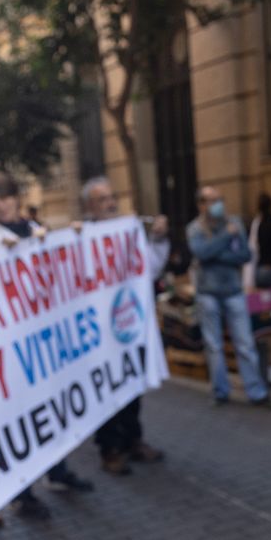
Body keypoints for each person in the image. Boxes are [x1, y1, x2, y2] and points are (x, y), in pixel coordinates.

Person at [0, 171, 95, 515]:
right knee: (20, 417)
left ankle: (58, 471)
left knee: (52, 411)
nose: (1, 205)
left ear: (16, 197)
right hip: (16, 344)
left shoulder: (36, 230)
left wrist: (70, 241)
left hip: (45, 341)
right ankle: (22, 491)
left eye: (5, 197)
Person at [80, 176, 169, 474]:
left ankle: (133, 440)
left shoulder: (127, 234)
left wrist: (157, 238)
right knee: (105, 391)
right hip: (98, 333)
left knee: (131, 387)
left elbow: (151, 268)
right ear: (89, 207)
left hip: (125, 326)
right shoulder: (80, 239)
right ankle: (109, 449)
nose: (110, 204)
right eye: (102, 200)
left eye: (111, 197)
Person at [187, 186, 271, 407]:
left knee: (244, 343)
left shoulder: (235, 223)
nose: (218, 204)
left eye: (219, 199)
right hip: (208, 295)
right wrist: (226, 239)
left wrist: (215, 253)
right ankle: (220, 391)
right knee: (213, 346)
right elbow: (202, 254)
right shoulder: (195, 228)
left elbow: (244, 255)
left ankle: (256, 391)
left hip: (234, 291)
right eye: (212, 200)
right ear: (201, 205)